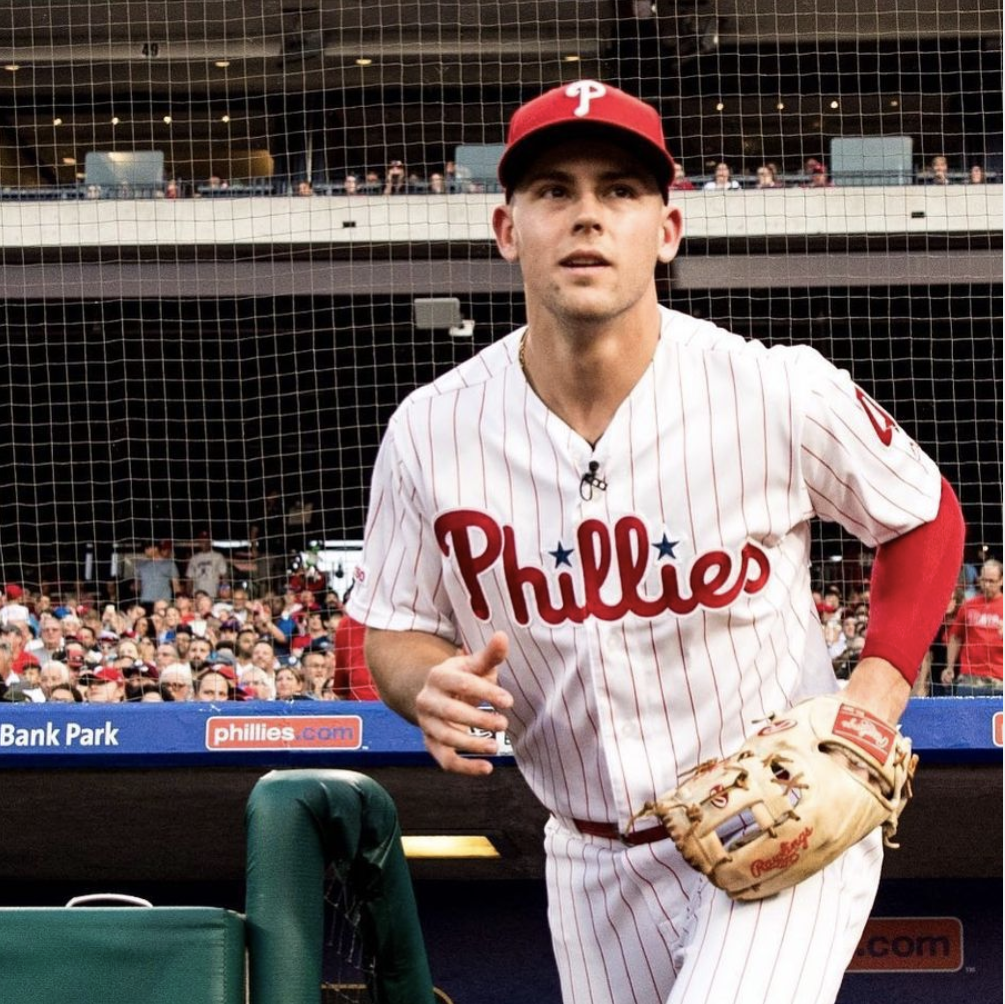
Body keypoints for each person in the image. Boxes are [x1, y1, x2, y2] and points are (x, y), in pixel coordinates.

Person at [346, 80, 965, 1004]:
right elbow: (394, 626)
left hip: (780, 812)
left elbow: (922, 512)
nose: (586, 215)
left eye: (620, 191)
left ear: (666, 229)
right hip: (588, 860)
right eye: (553, 191)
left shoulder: (773, 388)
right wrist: (421, 683)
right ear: (506, 229)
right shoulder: (429, 432)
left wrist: (870, 702)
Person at [940, 558, 1003, 694]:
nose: (986, 585)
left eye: (991, 581)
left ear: (1001, 581)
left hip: (999, 677)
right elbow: (955, 637)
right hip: (969, 676)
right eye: (983, 580)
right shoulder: (969, 606)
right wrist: (950, 667)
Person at [134, 539, 181, 611]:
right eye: (145, 549)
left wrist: (177, 603)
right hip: (145, 602)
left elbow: (176, 586)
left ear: (155, 548)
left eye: (147, 548)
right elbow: (137, 586)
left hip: (163, 602)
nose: (145, 551)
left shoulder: (169, 564)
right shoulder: (140, 565)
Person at [185, 531, 230, 598]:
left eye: (206, 540)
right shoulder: (194, 558)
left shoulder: (218, 556)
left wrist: (223, 593)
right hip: (197, 596)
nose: (203, 543)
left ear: (210, 542)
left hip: (213, 595)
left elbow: (224, 577)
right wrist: (188, 596)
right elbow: (189, 579)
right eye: (201, 541)